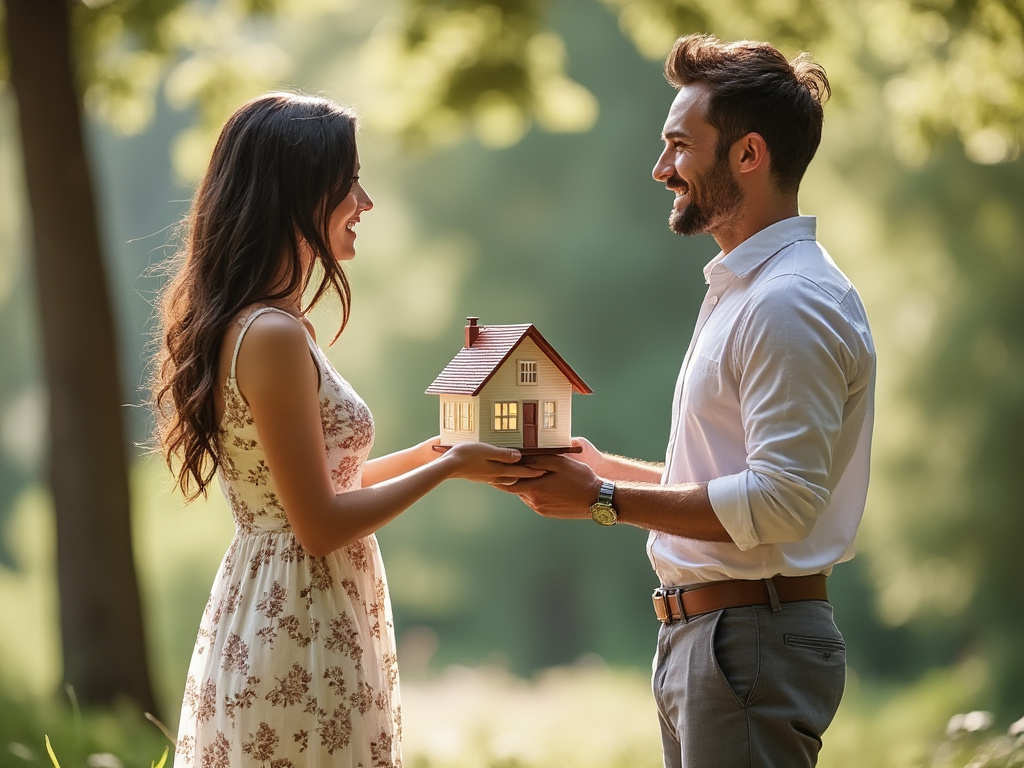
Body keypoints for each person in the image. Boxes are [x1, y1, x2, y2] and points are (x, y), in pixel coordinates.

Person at [501, 34, 876, 768]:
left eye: (679, 145)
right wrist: (607, 471)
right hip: (714, 639)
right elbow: (736, 487)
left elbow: (780, 505)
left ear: (748, 155)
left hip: (749, 640)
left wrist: (603, 497)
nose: (660, 168)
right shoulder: (747, 291)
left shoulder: (788, 301)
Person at [151, 92, 542, 768]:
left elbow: (327, 485)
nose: (365, 200)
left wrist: (438, 450)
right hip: (297, 623)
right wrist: (449, 469)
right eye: (349, 180)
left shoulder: (266, 324)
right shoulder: (270, 333)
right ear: (298, 190)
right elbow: (320, 524)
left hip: (289, 605)